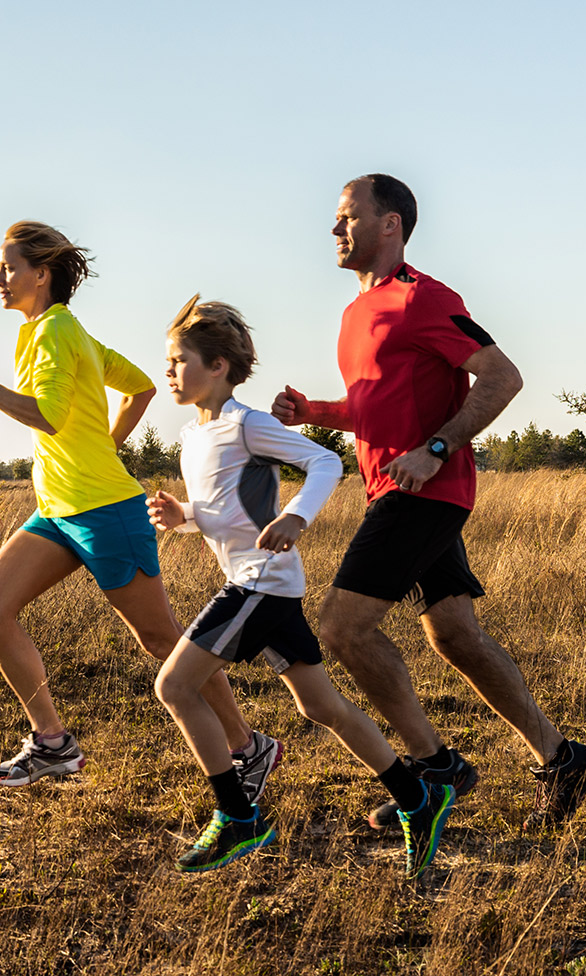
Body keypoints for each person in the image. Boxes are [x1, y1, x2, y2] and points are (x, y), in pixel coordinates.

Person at [272, 174, 586, 833]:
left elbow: (503, 376)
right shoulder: (354, 314)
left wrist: (438, 446)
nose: (334, 230)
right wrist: (314, 411)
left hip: (422, 492)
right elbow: (375, 407)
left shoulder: (424, 298)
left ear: (389, 225)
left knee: (342, 629)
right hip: (402, 487)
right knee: (455, 634)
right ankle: (563, 759)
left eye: (347, 217)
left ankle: (434, 766)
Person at [0, 221, 279, 796]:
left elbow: (48, 415)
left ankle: (249, 745)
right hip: (59, 510)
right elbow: (142, 386)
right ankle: (53, 744)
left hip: (104, 509)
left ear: (40, 275)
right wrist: (103, 446)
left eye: (8, 267)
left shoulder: (56, 333)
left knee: (162, 638)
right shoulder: (62, 332)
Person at [148, 295, 455, 878]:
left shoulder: (248, 425)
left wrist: (297, 517)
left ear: (217, 367)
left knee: (176, 686)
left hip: (259, 585)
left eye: (178, 359)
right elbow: (226, 512)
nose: (169, 370)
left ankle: (240, 818)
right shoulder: (193, 436)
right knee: (321, 706)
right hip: (266, 584)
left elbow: (324, 463)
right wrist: (182, 515)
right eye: (168, 360)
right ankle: (418, 796)